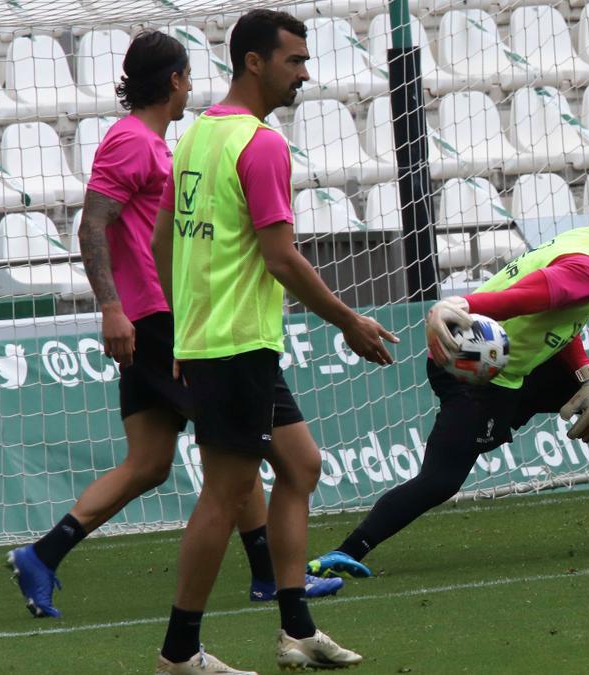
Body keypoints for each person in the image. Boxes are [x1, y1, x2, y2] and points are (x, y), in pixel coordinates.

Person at [4, 30, 340, 622]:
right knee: (248, 452)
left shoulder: (160, 142)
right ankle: (271, 579)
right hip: (162, 320)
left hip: (161, 317)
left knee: (152, 461)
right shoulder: (132, 140)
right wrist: (112, 308)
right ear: (177, 80)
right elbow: (91, 226)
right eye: (187, 77)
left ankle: (42, 554)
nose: (191, 88)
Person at [305, 175, 589, 581]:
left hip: (512, 368)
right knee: (441, 480)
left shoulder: (588, 242)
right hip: (477, 375)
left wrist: (587, 375)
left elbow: (559, 317)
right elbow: (526, 296)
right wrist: (461, 304)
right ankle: (345, 552)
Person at [149, 10, 397, 673]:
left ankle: (297, 629)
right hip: (235, 345)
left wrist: (182, 322)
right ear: (254, 62)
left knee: (301, 464)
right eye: (295, 61)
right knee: (226, 493)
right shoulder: (260, 145)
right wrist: (349, 320)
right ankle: (178, 653)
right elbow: (281, 257)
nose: (305, 74)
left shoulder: (199, 134)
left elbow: (162, 239)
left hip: (222, 338)